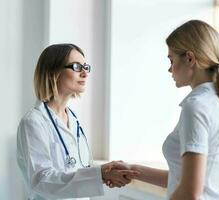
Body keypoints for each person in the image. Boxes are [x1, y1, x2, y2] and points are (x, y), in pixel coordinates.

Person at [107, 20, 219, 200]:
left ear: (190, 58)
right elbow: (186, 180)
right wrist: (133, 170)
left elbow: (190, 192)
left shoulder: (196, 106)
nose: (169, 69)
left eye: (171, 60)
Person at [16, 43, 138, 200]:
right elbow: (42, 180)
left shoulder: (73, 119)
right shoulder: (33, 122)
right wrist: (98, 175)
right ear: (53, 71)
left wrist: (104, 172)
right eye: (76, 66)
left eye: (85, 67)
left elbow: (76, 167)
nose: (85, 73)